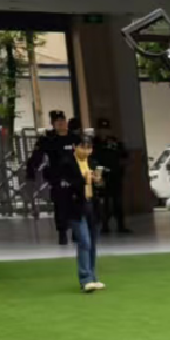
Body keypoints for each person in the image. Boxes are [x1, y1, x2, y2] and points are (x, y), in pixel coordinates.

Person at [55, 134, 104, 293]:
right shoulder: (66, 163)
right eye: (83, 147)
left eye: (89, 148)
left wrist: (98, 181)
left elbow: (100, 185)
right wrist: (84, 179)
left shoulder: (92, 162)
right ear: (75, 147)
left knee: (93, 242)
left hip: (92, 205)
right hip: (75, 207)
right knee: (84, 241)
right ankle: (85, 278)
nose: (87, 151)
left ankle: (93, 276)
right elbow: (65, 186)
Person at [25, 109, 78, 246]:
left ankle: (76, 232)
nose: (61, 124)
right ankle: (62, 233)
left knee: (76, 205)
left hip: (75, 177)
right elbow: (37, 157)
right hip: (57, 178)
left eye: (62, 121)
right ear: (53, 124)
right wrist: (31, 172)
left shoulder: (74, 138)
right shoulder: (48, 140)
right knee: (61, 206)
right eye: (57, 121)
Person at [93, 118, 133, 236]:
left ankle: (121, 225)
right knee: (103, 202)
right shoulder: (94, 142)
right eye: (102, 129)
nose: (104, 132)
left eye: (106, 129)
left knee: (117, 201)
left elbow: (124, 156)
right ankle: (104, 226)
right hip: (101, 175)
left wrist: (123, 169)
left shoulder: (115, 142)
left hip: (115, 175)